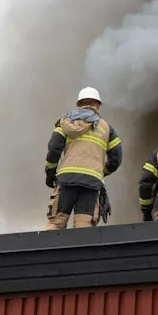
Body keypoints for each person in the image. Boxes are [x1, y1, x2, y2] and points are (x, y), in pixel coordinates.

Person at [43, 87, 122, 229]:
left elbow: (54, 149)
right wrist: (101, 171)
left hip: (66, 180)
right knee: (83, 230)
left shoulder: (64, 122)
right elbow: (116, 159)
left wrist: (50, 174)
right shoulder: (107, 128)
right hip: (91, 183)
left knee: (55, 224)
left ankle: (47, 251)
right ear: (97, 105)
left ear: (79, 104)